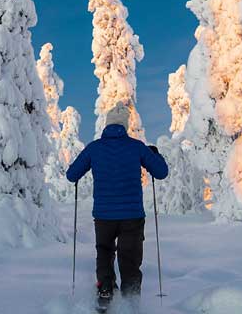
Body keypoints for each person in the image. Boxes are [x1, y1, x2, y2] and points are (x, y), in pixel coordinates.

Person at [66, 102, 168, 308]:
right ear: (124, 125)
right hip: (132, 216)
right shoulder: (136, 147)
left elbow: (71, 175)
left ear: (106, 125)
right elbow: (161, 172)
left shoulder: (94, 148)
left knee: (104, 251)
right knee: (129, 257)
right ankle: (131, 299)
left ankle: (105, 289)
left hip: (104, 216)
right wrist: (154, 154)